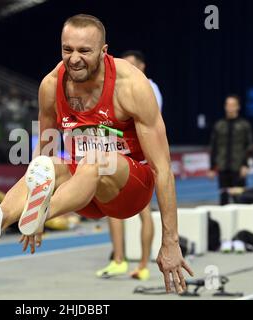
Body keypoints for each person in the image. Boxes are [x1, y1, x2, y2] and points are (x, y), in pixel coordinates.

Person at [0, 14, 193, 294]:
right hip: (83, 190)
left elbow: (162, 169)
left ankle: (42, 213)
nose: (74, 59)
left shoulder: (130, 86)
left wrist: (171, 241)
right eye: (67, 49)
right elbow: (42, 156)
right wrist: (35, 193)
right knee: (53, 162)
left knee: (96, 161)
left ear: (104, 51)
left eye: (84, 51)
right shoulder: (51, 85)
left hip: (129, 188)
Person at [95, 50, 162, 280]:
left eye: (131, 64)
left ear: (142, 66)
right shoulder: (116, 87)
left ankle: (143, 264)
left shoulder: (149, 88)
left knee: (143, 211)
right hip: (115, 153)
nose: (125, 67)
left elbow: (145, 121)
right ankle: (118, 260)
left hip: (139, 158)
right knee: (111, 210)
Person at [208, 94, 253, 205]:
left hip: (238, 169)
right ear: (225, 106)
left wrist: (246, 165)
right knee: (223, 201)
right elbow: (213, 147)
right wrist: (212, 167)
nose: (230, 107)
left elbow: (249, 147)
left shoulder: (244, 125)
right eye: (228, 105)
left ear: (238, 107)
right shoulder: (219, 125)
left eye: (233, 105)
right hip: (223, 169)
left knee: (240, 200)